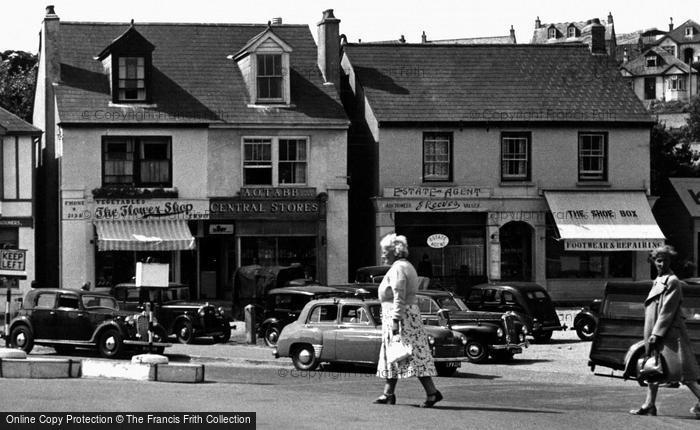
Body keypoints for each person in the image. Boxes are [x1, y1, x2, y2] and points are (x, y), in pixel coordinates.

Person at [629, 245, 700, 418]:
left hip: (669, 334)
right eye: (659, 260)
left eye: (665, 260)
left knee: (683, 372)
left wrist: (656, 333)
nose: (662, 264)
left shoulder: (672, 281)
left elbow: (668, 310)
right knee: (653, 369)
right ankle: (649, 405)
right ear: (653, 262)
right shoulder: (659, 280)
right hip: (658, 332)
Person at [374, 233, 442, 408]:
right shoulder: (405, 266)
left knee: (410, 354)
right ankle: (388, 393)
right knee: (399, 354)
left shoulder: (398, 268)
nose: (382, 255)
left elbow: (399, 295)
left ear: (394, 252)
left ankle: (432, 393)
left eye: (385, 251)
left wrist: (396, 319)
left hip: (401, 317)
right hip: (406, 315)